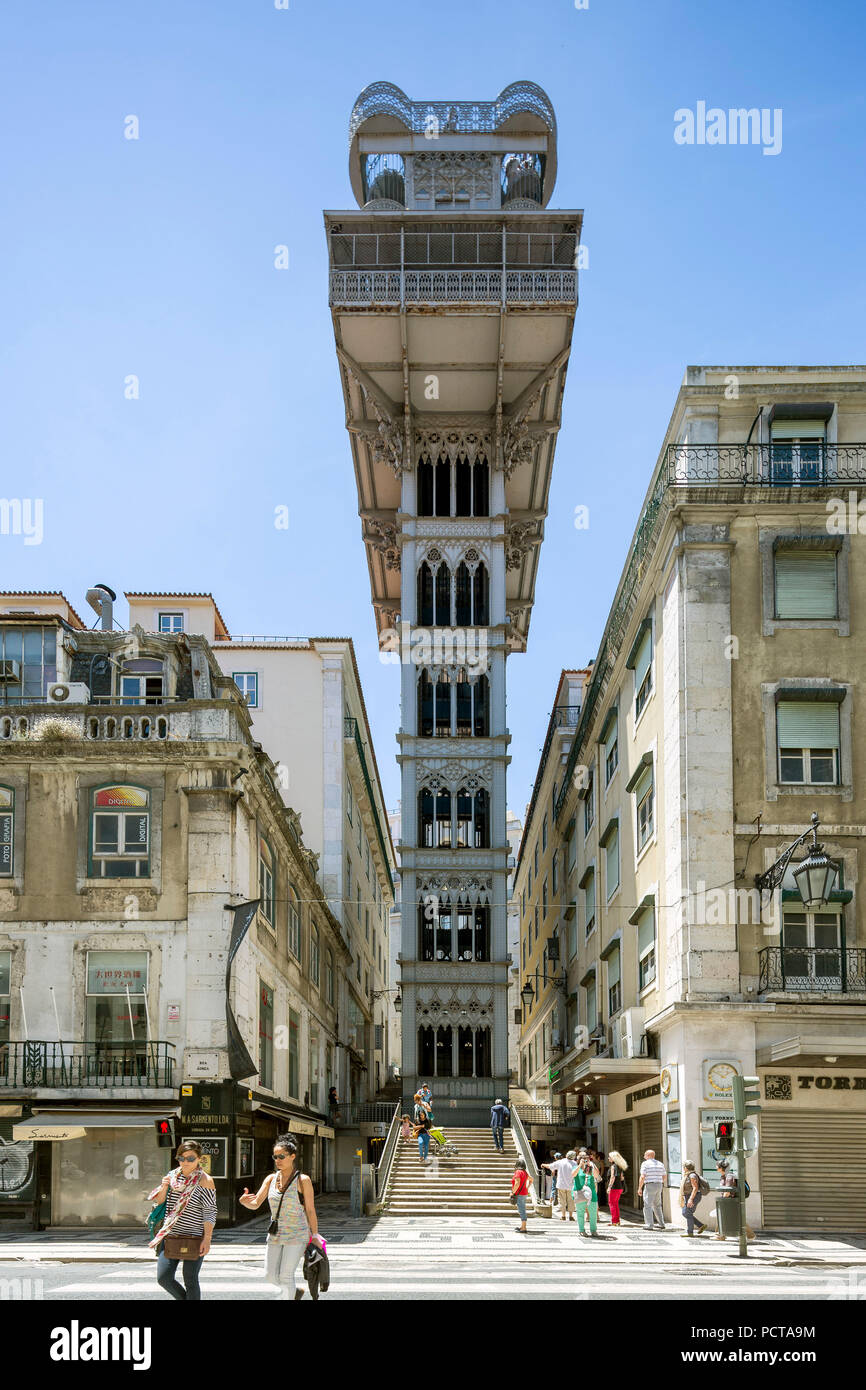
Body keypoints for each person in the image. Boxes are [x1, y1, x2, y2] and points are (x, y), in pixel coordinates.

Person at [239, 1133, 324, 1299]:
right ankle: (294, 1293)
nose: (277, 1160)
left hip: (297, 1234)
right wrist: (243, 1202)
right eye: (275, 1156)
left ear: (292, 1157)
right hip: (275, 1233)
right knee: (270, 1275)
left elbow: (310, 1210)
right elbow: (256, 1203)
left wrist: (314, 1235)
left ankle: (289, 1294)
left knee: (286, 1276)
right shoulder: (271, 1179)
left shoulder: (303, 1180)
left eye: (281, 1156)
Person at [148, 1139, 217, 1301]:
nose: (185, 1162)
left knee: (190, 1279)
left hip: (195, 1236)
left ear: (199, 1159)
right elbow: (159, 1203)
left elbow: (210, 1211)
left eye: (191, 1158)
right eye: (181, 1158)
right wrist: (164, 1186)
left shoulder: (205, 1181)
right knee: (164, 1278)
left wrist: (207, 1239)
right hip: (171, 1235)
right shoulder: (172, 1177)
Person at [713, 1161, 755, 1241]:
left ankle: (750, 1235)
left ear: (721, 1168)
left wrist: (723, 1200)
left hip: (732, 1201)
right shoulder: (724, 1175)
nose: (716, 1168)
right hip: (731, 1200)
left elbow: (728, 1191)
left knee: (737, 1218)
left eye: (717, 1166)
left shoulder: (729, 1176)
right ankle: (720, 1235)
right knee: (724, 1216)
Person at [541, 1150, 578, 1220]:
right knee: (571, 1201)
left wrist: (543, 1164)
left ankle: (563, 1216)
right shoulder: (575, 1163)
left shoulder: (561, 1161)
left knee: (562, 1201)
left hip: (561, 1185)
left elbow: (550, 1166)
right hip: (571, 1185)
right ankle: (571, 1216)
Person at [637, 1149, 667, 1231]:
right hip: (659, 1185)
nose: (644, 1156)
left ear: (648, 1156)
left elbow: (642, 1176)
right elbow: (664, 1176)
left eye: (645, 1155)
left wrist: (639, 1188)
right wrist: (659, 1182)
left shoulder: (645, 1164)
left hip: (650, 1185)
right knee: (657, 1205)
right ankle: (661, 1224)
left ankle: (649, 1225)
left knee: (647, 1205)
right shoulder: (660, 1164)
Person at [679, 1160, 707, 1237]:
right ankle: (700, 1225)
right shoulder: (688, 1175)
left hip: (693, 1196)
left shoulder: (692, 1176)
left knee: (687, 1212)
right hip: (689, 1196)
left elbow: (695, 1188)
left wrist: (691, 1199)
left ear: (686, 1168)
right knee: (686, 1213)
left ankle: (690, 1232)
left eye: (683, 1167)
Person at [574, 1154, 599, 1236]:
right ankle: (581, 1230)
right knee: (580, 1212)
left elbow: (596, 1175)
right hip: (580, 1193)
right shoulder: (576, 1168)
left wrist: (591, 1164)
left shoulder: (590, 1168)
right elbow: (573, 1175)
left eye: (587, 1158)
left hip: (591, 1193)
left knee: (593, 1213)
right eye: (583, 1158)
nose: (585, 1160)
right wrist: (580, 1165)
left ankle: (593, 1230)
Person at [606, 1150, 628, 1226]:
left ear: (613, 1158)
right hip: (619, 1187)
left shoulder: (613, 1166)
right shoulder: (620, 1166)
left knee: (611, 1203)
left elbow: (612, 1177)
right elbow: (622, 1178)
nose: (608, 1158)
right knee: (615, 1204)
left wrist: (609, 1187)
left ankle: (614, 1221)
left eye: (610, 1157)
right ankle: (616, 1221)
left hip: (614, 1188)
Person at [511, 1157, 530, 1233]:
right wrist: (527, 1187)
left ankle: (524, 1228)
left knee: (521, 1210)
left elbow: (517, 1183)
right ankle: (522, 1226)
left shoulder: (518, 1172)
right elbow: (531, 1180)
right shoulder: (525, 1172)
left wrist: (513, 1192)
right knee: (522, 1209)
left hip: (520, 1194)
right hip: (524, 1193)